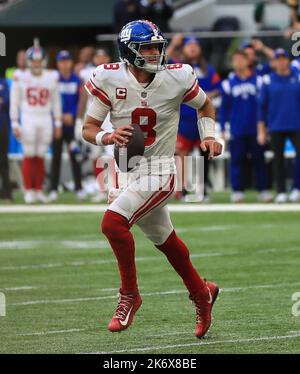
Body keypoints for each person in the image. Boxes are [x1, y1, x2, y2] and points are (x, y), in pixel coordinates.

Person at [82, 20, 222, 338]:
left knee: (112, 224)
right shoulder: (109, 77)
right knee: (166, 241)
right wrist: (108, 136)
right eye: (147, 47)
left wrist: (209, 136)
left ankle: (129, 295)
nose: (155, 53)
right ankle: (203, 292)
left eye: (157, 47)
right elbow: (88, 128)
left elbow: (206, 106)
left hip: (159, 169)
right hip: (122, 169)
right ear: (129, 52)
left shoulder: (177, 76)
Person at [168, 35, 221, 202]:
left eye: (195, 45)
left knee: (205, 153)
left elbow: (218, 88)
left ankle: (203, 190)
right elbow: (162, 64)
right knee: (182, 154)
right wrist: (173, 44)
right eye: (188, 45)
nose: (192, 48)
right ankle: (182, 189)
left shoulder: (208, 69)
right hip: (184, 118)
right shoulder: (177, 66)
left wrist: (202, 96)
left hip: (202, 117)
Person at [10, 45, 62, 204]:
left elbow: (55, 101)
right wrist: (15, 123)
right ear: (29, 62)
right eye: (34, 61)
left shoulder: (51, 76)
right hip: (28, 117)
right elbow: (15, 101)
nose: (37, 64)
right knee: (28, 153)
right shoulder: (20, 76)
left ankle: (38, 190)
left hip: (45, 117)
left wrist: (58, 121)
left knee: (40, 155)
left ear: (44, 61)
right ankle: (28, 190)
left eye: (39, 61)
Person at [220, 49, 272, 203]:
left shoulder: (259, 81)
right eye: (235, 59)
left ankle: (263, 190)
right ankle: (237, 190)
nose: (238, 62)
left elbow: (264, 106)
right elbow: (224, 108)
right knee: (237, 160)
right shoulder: (228, 83)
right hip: (237, 129)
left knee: (259, 160)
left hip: (256, 129)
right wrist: (223, 128)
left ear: (247, 61)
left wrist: (265, 126)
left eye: (240, 59)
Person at [258, 48, 300, 203]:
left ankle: (297, 188)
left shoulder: (297, 78)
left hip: (296, 124)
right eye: (278, 59)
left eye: (284, 59)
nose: (281, 62)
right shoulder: (268, 80)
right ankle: (281, 191)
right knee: (278, 160)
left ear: (288, 61)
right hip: (276, 125)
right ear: (274, 62)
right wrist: (261, 130)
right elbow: (262, 107)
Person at [76, 49, 115, 203]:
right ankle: (102, 188)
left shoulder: (117, 72)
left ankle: (112, 188)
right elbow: (83, 97)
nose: (100, 58)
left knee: (111, 155)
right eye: (97, 56)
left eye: (103, 55)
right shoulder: (87, 72)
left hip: (110, 118)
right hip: (93, 118)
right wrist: (79, 119)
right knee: (95, 156)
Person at [49, 51, 85, 202]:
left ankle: (79, 188)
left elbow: (82, 101)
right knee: (55, 157)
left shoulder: (77, 80)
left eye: (67, 61)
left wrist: (74, 115)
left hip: (71, 126)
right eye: (61, 61)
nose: (65, 64)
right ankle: (53, 189)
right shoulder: (53, 80)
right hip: (57, 125)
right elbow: (50, 101)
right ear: (57, 63)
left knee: (75, 156)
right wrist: (59, 116)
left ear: (71, 62)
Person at [0, 76, 12, 201]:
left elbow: (7, 100)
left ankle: (7, 191)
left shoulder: (3, 83)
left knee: (3, 159)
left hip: (2, 125)